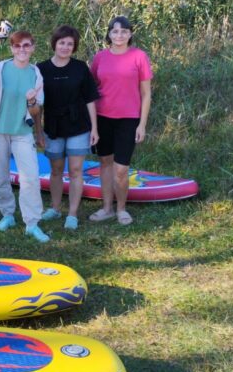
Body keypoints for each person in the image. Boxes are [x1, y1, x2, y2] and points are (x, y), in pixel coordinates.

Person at [0, 30, 49, 242]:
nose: (22, 50)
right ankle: (7, 215)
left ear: (33, 47)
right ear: (11, 48)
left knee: (30, 178)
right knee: (0, 176)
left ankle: (32, 223)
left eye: (26, 45)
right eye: (17, 46)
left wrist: (31, 102)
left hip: (22, 133)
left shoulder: (36, 74)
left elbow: (36, 112)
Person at [89, 16, 153, 225]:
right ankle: (107, 208)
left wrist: (142, 124)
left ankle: (121, 210)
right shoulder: (100, 57)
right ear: (108, 34)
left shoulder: (139, 57)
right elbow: (91, 89)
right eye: (115, 31)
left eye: (124, 31)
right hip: (102, 118)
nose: (119, 35)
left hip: (129, 119)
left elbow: (146, 94)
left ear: (130, 34)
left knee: (121, 169)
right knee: (105, 163)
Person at [37, 25, 100, 231]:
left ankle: (72, 214)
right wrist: (39, 131)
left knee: (75, 170)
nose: (65, 47)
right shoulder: (41, 69)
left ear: (74, 47)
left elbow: (90, 99)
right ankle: (55, 208)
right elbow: (36, 104)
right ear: (54, 43)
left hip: (79, 125)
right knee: (55, 170)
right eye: (62, 42)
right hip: (53, 126)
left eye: (70, 44)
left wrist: (95, 129)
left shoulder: (81, 68)